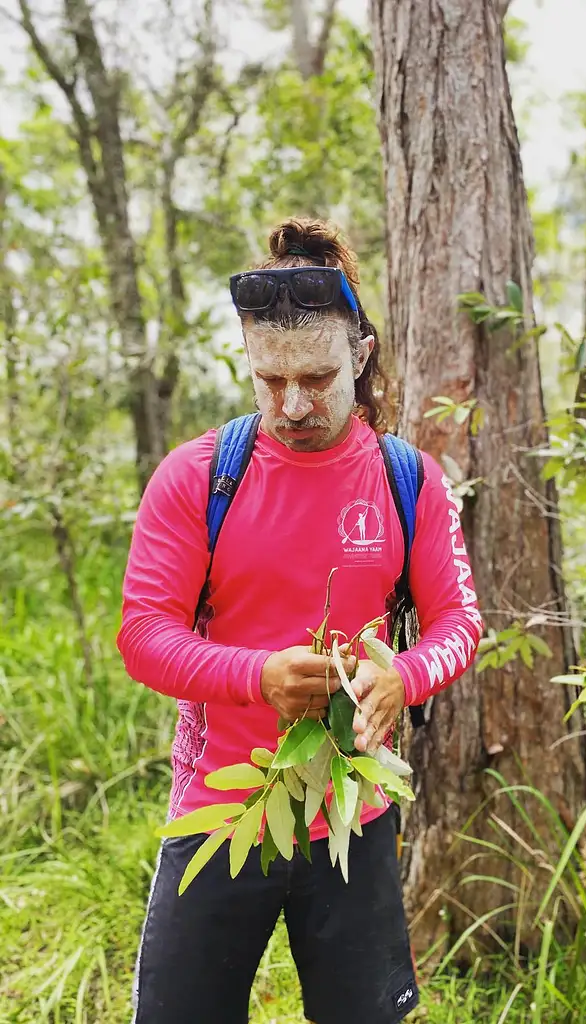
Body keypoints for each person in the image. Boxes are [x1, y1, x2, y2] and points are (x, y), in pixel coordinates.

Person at [116, 217, 482, 1024]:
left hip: (352, 816)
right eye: (269, 379)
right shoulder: (198, 476)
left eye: (315, 377)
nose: (292, 403)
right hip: (220, 807)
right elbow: (144, 632)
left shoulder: (406, 480)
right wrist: (257, 676)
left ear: (360, 352)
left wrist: (405, 674)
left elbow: (459, 619)